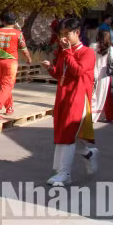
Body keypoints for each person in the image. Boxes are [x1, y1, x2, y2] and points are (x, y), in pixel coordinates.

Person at [41, 18, 98, 186]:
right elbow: (61, 75)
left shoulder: (87, 52)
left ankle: (64, 172)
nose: (63, 38)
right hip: (62, 96)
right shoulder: (63, 52)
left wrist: (67, 52)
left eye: (67, 34)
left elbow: (78, 71)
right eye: (61, 35)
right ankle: (88, 154)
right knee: (63, 132)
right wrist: (51, 69)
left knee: (67, 133)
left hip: (78, 97)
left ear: (77, 33)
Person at [0, 13, 32, 120]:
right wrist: (28, 58)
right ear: (14, 22)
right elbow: (24, 49)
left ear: (3, 21)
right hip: (11, 62)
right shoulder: (18, 34)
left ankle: (9, 107)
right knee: (8, 85)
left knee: (4, 85)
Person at [89, 30, 113, 123]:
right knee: (105, 95)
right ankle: (105, 114)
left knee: (93, 94)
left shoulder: (92, 46)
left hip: (93, 72)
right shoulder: (110, 48)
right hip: (104, 75)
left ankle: (92, 114)